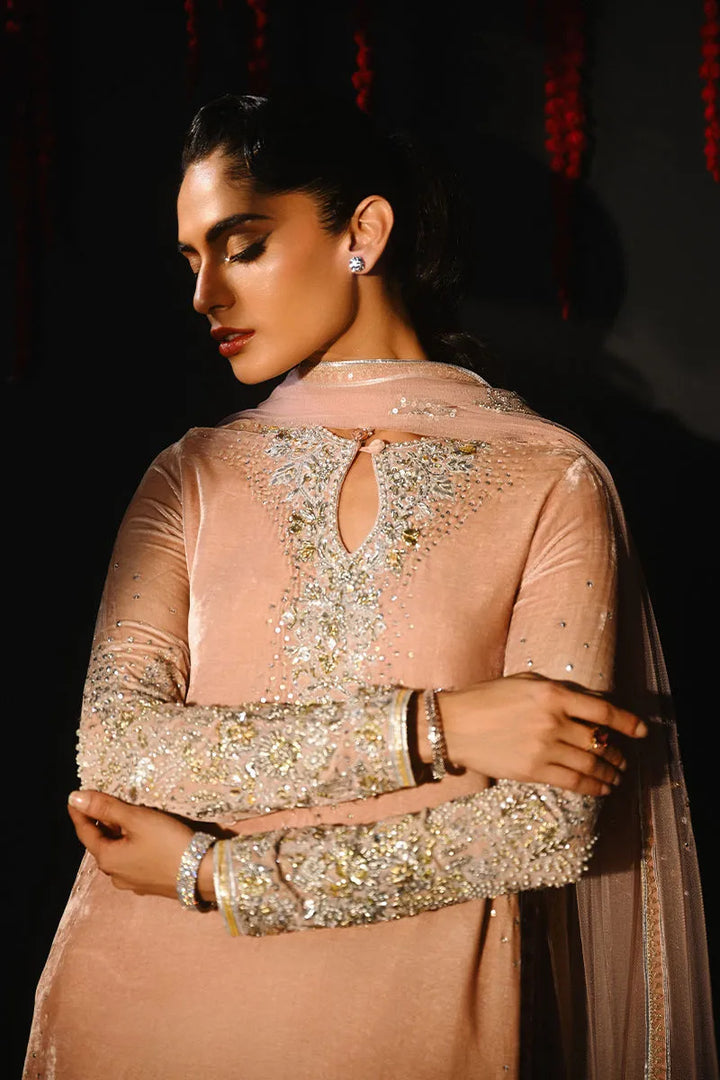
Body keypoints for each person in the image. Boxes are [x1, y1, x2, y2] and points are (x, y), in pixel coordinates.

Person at [23, 91, 717, 1079]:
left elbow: (546, 827)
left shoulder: (549, 478)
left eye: (242, 247)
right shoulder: (190, 474)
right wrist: (433, 729)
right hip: (137, 1008)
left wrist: (216, 872)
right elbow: (119, 754)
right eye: (190, 260)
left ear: (364, 232)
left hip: (406, 1022)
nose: (205, 294)